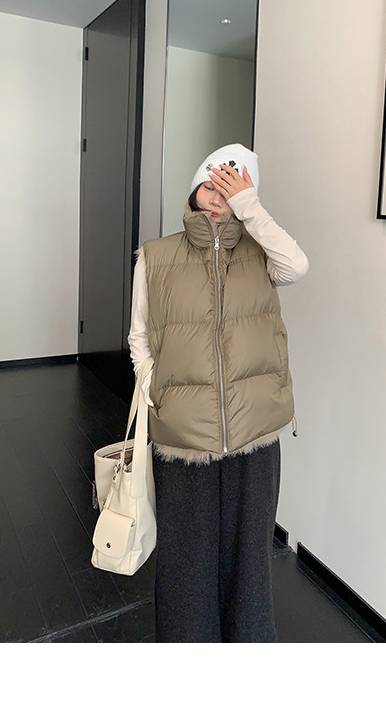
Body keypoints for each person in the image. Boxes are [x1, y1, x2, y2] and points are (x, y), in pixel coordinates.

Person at [127, 143, 309, 642]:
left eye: (231, 190)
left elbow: (298, 265)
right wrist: (156, 387)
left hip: (254, 435)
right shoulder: (156, 256)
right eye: (210, 186)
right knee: (186, 566)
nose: (217, 199)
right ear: (193, 191)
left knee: (250, 566)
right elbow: (140, 336)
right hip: (183, 437)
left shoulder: (262, 254)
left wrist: (251, 206)